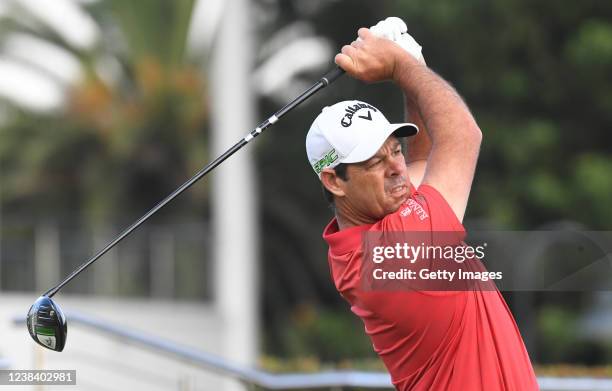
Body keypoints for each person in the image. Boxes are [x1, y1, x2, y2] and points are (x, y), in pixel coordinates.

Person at [305, 18, 539, 390]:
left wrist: (415, 72)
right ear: (334, 181)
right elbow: (464, 135)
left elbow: (420, 165)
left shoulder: (366, 235)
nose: (396, 167)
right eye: (375, 162)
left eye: (395, 149)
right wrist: (401, 67)